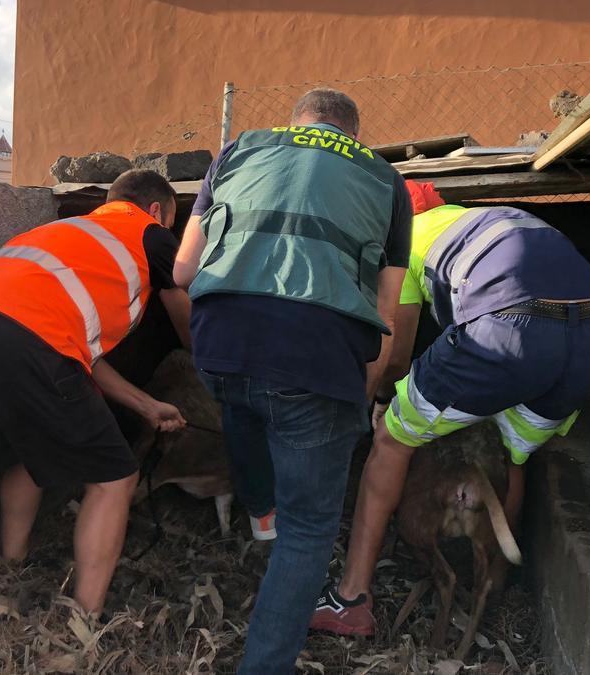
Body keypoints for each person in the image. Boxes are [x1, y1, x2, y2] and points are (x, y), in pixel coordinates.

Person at [310, 180, 590, 636]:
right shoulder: (490, 218)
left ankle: (351, 597)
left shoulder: (405, 240)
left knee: (391, 441)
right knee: (513, 455)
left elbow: (395, 353)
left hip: (508, 325)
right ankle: (494, 582)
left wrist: (381, 403)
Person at [174, 88, 412, 674]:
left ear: (295, 125)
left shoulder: (236, 152)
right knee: (310, 530)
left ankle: (260, 512)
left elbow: (183, 270)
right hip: (314, 360)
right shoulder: (385, 180)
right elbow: (385, 314)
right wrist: (355, 399)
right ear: (351, 136)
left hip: (220, 347)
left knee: (245, 400)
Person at [0, 169, 192, 615]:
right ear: (155, 210)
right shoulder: (146, 230)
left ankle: (11, 566)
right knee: (115, 478)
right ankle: (84, 618)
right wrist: (211, 364)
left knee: (28, 453)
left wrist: (148, 406)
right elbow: (187, 317)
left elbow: (82, 359)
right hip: (29, 339)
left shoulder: (70, 233)